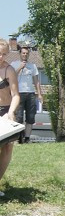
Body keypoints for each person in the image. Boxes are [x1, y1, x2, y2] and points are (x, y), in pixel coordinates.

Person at [0, 39, 21, 198]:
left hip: (6, 111)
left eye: (4, 54)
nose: (1, 57)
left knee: (7, 147)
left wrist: (11, 112)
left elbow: (15, 95)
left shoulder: (9, 70)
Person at [12, 44, 42, 144]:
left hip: (30, 93)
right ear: (20, 54)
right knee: (19, 117)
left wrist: (39, 94)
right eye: (23, 53)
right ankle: (19, 138)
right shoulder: (14, 64)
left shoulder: (32, 66)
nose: (25, 55)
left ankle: (27, 138)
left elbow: (36, 81)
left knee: (30, 117)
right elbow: (11, 77)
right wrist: (20, 68)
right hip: (19, 93)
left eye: (27, 53)